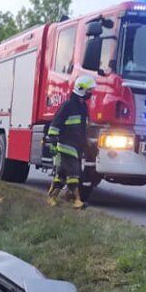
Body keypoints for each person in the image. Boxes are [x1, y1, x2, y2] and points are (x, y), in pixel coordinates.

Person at [46, 74, 95, 209]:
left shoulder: (82, 107)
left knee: (61, 175)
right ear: (81, 89)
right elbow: (56, 123)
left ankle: (52, 197)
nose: (91, 93)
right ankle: (76, 201)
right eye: (89, 90)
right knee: (74, 173)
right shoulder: (68, 105)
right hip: (66, 145)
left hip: (76, 146)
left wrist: (87, 142)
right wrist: (53, 141)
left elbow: (82, 128)